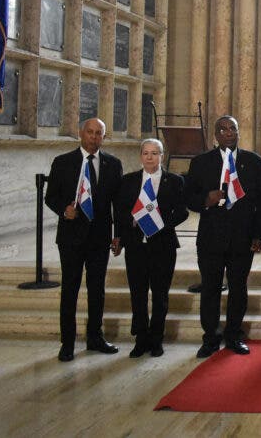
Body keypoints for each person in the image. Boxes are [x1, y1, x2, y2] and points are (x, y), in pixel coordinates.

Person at [185, 115, 261, 358]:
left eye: (233, 128)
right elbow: (188, 198)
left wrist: (259, 234)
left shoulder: (253, 162)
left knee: (238, 288)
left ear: (239, 132)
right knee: (210, 288)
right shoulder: (201, 162)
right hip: (211, 237)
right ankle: (210, 337)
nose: (229, 133)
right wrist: (205, 200)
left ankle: (233, 335)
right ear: (216, 135)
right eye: (223, 129)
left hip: (243, 237)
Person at [45, 117, 124, 362]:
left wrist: (118, 235)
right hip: (70, 237)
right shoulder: (63, 162)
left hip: (99, 238)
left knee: (97, 290)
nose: (93, 137)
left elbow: (118, 205)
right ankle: (67, 343)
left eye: (98, 133)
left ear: (104, 136)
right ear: (81, 133)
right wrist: (63, 210)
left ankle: (95, 337)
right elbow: (51, 197)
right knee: (70, 289)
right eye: (89, 132)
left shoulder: (113, 164)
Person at [112, 138, 189, 358]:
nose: (150, 157)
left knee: (160, 294)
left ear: (162, 156)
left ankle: (157, 338)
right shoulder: (128, 181)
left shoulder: (174, 181)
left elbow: (182, 211)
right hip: (136, 246)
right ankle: (141, 338)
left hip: (163, 245)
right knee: (138, 294)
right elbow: (119, 211)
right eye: (146, 153)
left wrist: (160, 221)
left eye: (155, 153)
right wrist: (127, 226)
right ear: (140, 156)